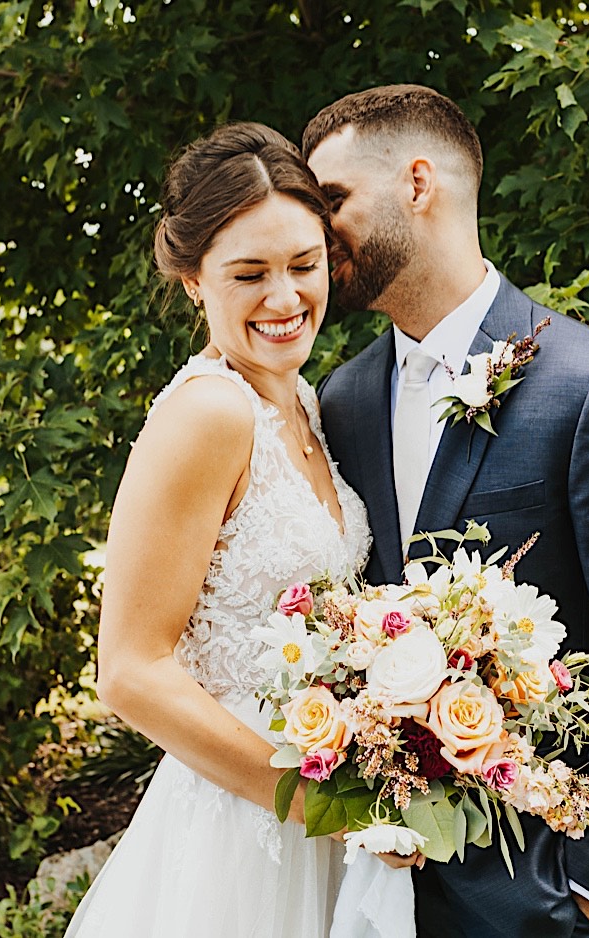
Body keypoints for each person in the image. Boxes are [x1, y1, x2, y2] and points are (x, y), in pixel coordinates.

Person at [308, 85, 589, 938]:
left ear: (418, 183)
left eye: (333, 200)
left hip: (536, 890)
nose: (317, 232)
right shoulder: (340, 399)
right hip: (372, 888)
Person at [64, 123, 390, 938]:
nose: (284, 299)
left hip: (329, 806)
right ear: (193, 283)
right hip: (249, 830)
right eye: (249, 274)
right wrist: (315, 800)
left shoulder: (306, 404)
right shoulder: (208, 414)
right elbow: (131, 671)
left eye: (303, 266)